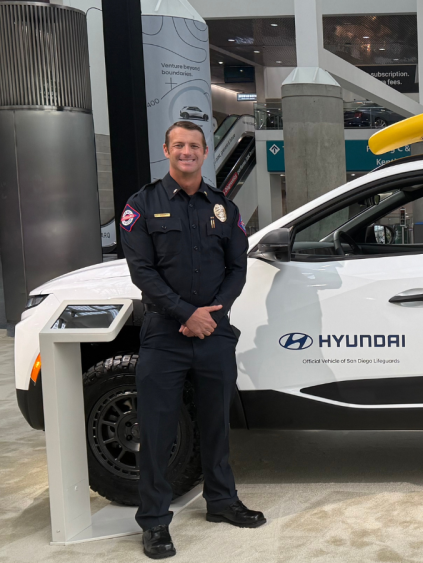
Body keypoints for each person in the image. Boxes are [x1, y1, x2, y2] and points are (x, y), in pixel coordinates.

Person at [120, 121, 264, 559]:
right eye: (179, 145)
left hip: (214, 333)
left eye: (194, 146)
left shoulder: (224, 208)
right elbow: (141, 271)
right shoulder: (142, 205)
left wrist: (211, 315)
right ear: (166, 150)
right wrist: (187, 314)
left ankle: (220, 502)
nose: (187, 152)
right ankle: (155, 521)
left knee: (217, 425)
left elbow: (237, 268)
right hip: (165, 335)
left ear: (205, 153)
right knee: (158, 431)